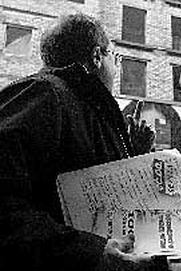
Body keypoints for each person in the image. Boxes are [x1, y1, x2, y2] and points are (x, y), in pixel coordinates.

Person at [0, 13, 162, 270]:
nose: (115, 68)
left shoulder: (89, 109)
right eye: (113, 56)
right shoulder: (43, 94)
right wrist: (91, 252)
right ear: (97, 56)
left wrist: (134, 154)